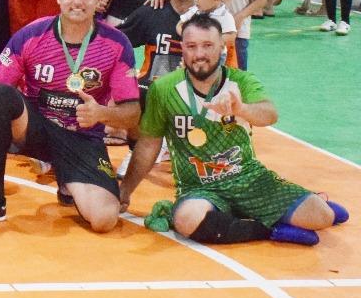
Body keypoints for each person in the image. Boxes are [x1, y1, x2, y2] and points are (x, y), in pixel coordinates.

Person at [120, 15, 348, 246]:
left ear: (222, 46)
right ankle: (269, 230)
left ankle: (291, 206)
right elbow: (149, 144)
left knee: (322, 217)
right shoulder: (163, 88)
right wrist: (125, 191)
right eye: (191, 46)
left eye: (208, 46)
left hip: (249, 179)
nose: (199, 54)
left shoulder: (240, 82)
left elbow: (269, 114)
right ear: (183, 50)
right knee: (187, 220)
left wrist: (243, 109)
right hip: (198, 187)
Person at [0, 0, 141, 228]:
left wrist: (102, 113)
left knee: (104, 220)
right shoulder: (32, 34)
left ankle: (67, 180)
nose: (77, 2)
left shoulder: (116, 43)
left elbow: (133, 112)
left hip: (83, 139)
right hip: (38, 131)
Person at [177, 0, 238, 67]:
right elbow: (179, 25)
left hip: (215, 56)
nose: (196, 0)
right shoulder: (195, 10)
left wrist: (209, 41)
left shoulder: (224, 16)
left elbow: (231, 35)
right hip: (193, 52)